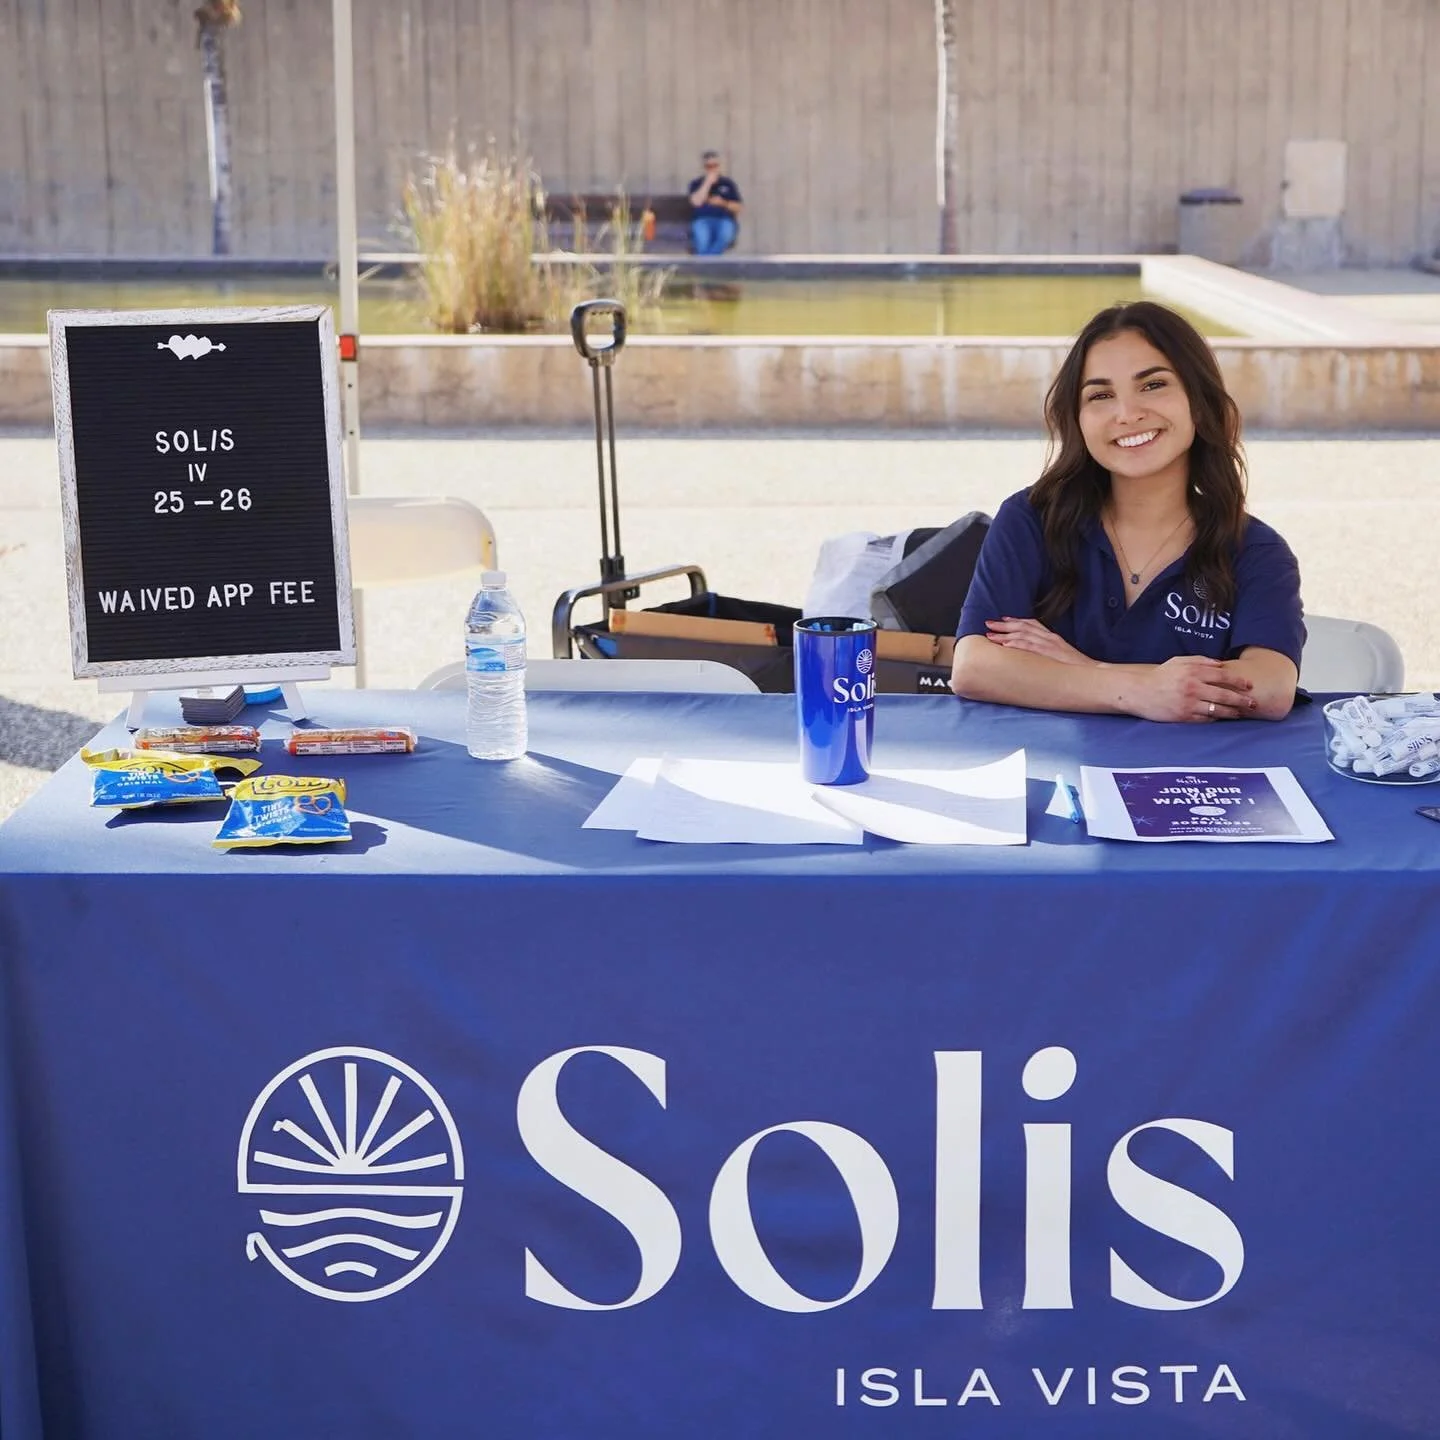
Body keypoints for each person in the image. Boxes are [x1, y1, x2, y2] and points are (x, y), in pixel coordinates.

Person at [950, 301, 1304, 723]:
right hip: (1051, 770)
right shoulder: (1031, 518)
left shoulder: (1256, 550)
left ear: (1199, 400)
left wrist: (1081, 668)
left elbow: (1269, 687)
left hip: (1185, 777)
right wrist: (1140, 690)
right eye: (1100, 395)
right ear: (1077, 419)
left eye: (1153, 385)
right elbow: (974, 666)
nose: (1127, 414)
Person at [687, 150, 743, 256]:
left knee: (725, 236)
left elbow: (739, 208)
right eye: (709, 166)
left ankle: (705, 264)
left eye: (715, 165)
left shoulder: (728, 183)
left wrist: (723, 203)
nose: (712, 169)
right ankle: (711, 264)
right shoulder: (696, 183)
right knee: (702, 241)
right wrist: (707, 183)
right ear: (704, 168)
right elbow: (696, 202)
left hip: (724, 220)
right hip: (702, 220)